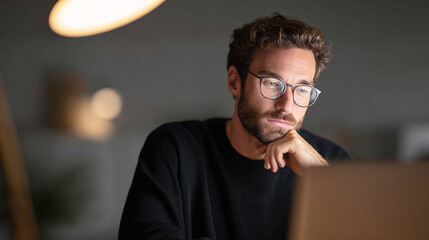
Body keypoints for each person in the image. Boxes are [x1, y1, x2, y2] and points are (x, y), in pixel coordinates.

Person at [119, 13, 352, 240]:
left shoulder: (332, 161)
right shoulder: (175, 149)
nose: (287, 106)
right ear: (235, 82)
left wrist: (323, 179)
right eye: (272, 83)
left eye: (302, 90)